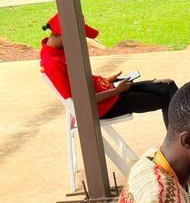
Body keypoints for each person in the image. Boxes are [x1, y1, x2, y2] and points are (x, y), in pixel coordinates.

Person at [40, 13, 178, 127]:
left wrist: (106, 81)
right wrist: (116, 91)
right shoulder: (53, 63)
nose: (83, 39)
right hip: (104, 106)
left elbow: (81, 83)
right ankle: (177, 148)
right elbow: (80, 100)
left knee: (168, 85)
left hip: (109, 92)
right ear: (66, 34)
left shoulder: (59, 51)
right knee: (169, 99)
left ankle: (184, 142)